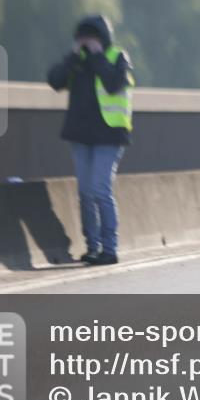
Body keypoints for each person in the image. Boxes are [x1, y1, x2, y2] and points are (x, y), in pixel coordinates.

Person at [47, 14, 134, 266]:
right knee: (85, 193)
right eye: (84, 37)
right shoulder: (77, 61)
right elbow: (55, 80)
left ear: (103, 37)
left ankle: (110, 248)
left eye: (93, 36)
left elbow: (112, 84)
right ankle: (92, 247)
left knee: (99, 189)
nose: (88, 41)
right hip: (81, 136)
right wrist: (74, 56)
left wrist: (96, 56)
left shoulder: (118, 57)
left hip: (109, 135)